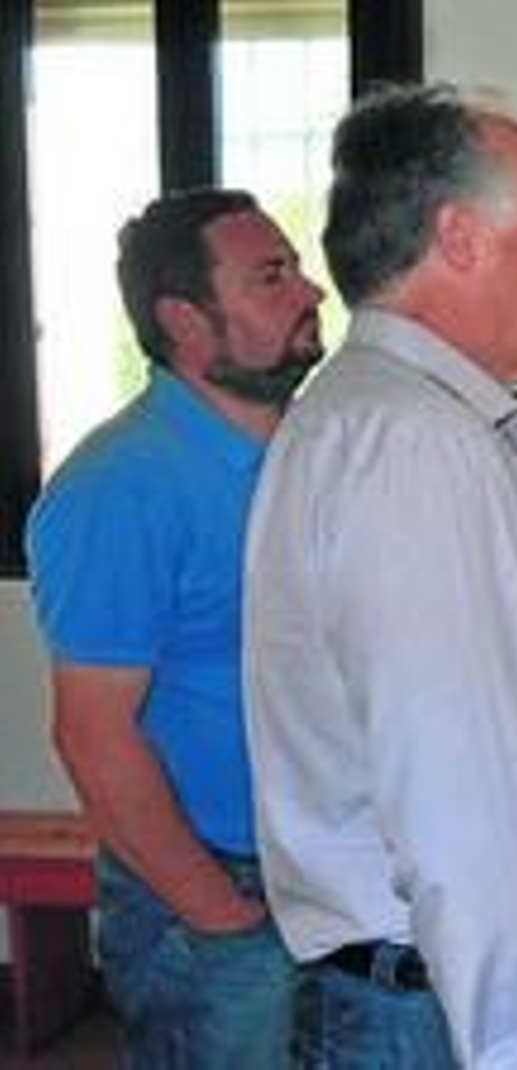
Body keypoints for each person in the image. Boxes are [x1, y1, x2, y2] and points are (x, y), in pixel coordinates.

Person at [242, 82, 517, 1069]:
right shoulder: (411, 445)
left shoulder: (396, 420)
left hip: (441, 999)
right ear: (459, 238)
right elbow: (459, 787)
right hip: (454, 1019)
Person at [26, 188, 326, 1065]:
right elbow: (91, 737)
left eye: (297, 267)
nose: (310, 292)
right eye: (272, 277)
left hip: (324, 879)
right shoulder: (118, 487)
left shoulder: (314, 452)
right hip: (213, 902)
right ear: (184, 322)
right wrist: (222, 918)